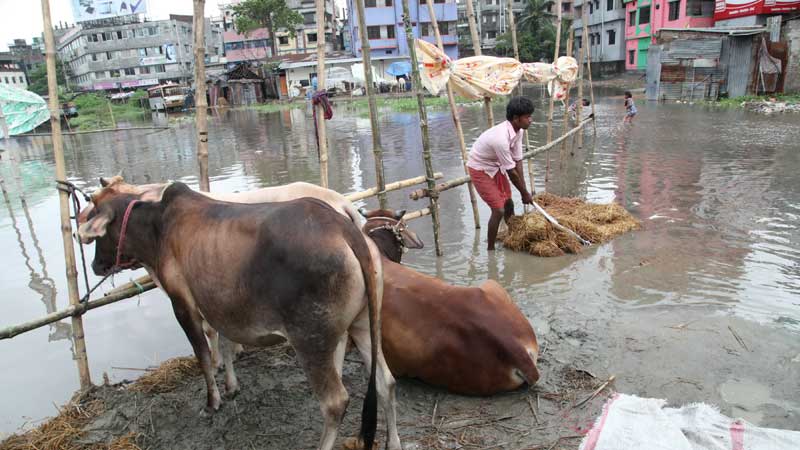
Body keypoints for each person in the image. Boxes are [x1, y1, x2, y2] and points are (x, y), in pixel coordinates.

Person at [467, 97, 535, 251]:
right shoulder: (500, 139)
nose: (531, 120)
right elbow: (511, 172)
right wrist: (524, 194)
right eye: (527, 117)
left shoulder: (519, 132)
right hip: (479, 168)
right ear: (516, 119)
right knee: (498, 209)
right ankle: (490, 250)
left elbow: (517, 162)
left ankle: (513, 238)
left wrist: (525, 191)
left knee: (508, 203)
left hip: (495, 165)